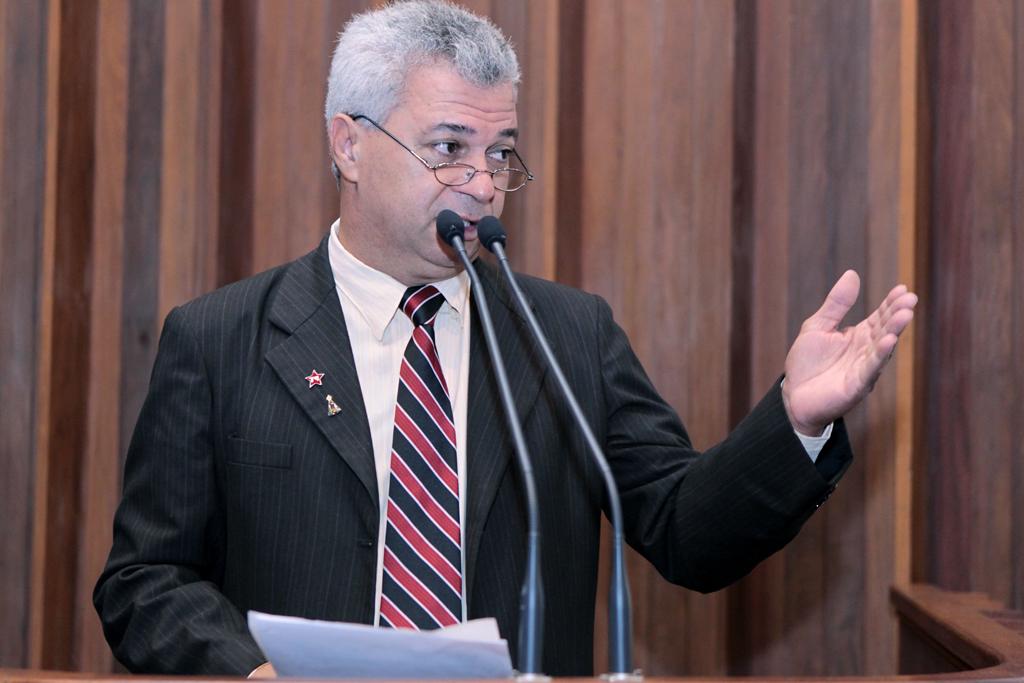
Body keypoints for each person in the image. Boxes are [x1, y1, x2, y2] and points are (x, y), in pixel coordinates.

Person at [93, 0, 917, 677]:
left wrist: (796, 421)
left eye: (501, 153)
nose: (484, 185)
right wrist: (249, 669)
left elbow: (686, 532)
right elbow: (144, 579)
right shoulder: (219, 338)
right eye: (450, 149)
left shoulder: (566, 334)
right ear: (348, 144)